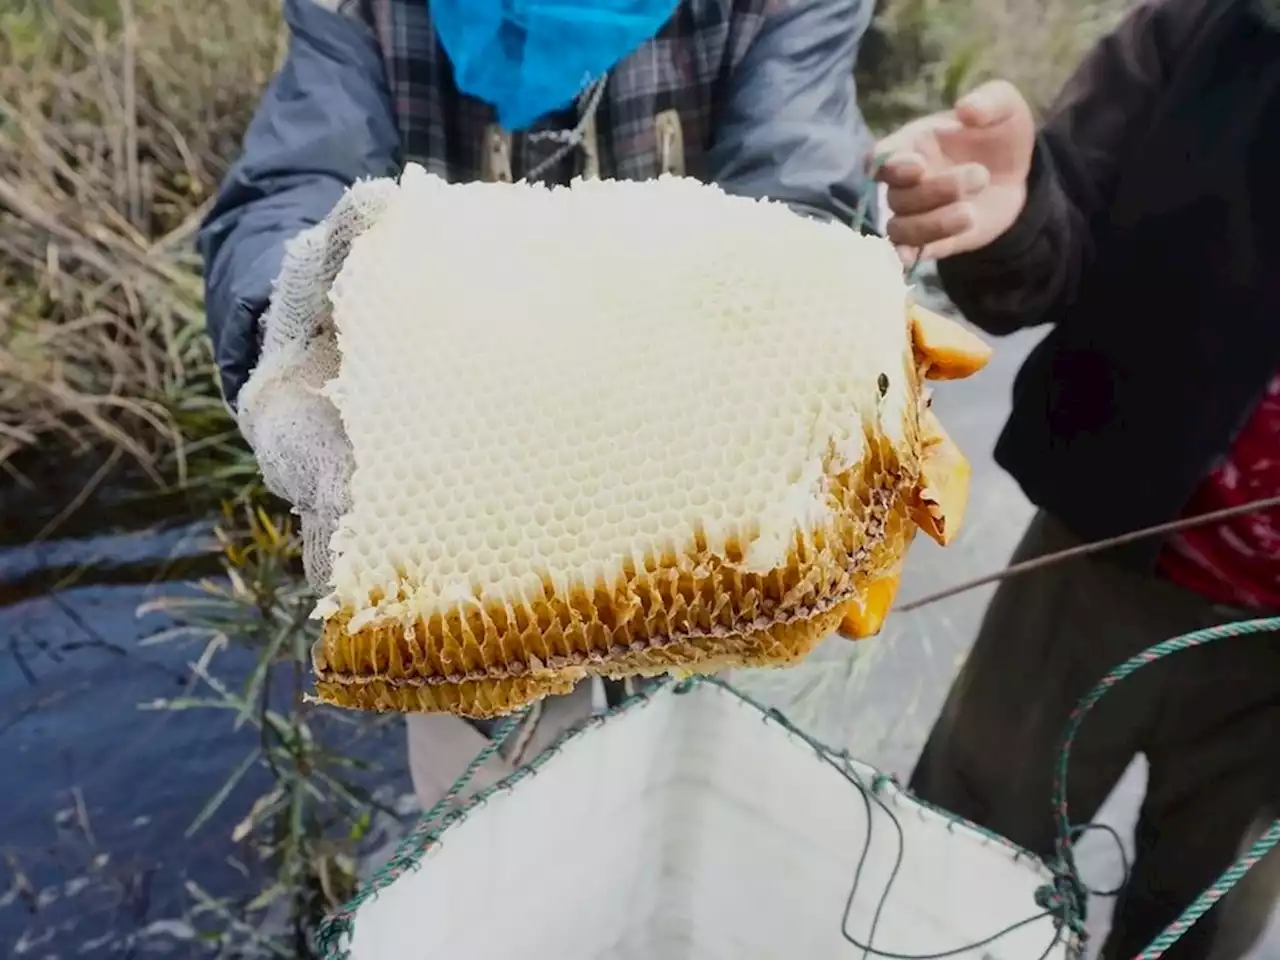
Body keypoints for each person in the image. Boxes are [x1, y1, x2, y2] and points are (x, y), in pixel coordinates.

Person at [199, 0, 879, 812]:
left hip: (701, 492)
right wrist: (289, 317)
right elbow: (293, 182)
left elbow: (801, 188)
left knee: (694, 779)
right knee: (488, 816)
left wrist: (836, 347)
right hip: (454, 526)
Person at [872, 0, 1280, 956]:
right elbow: (1060, 238)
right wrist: (1006, 221)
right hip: (1098, 553)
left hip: (1273, 659)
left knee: (1204, 914)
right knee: (962, 853)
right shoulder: (1201, 33)